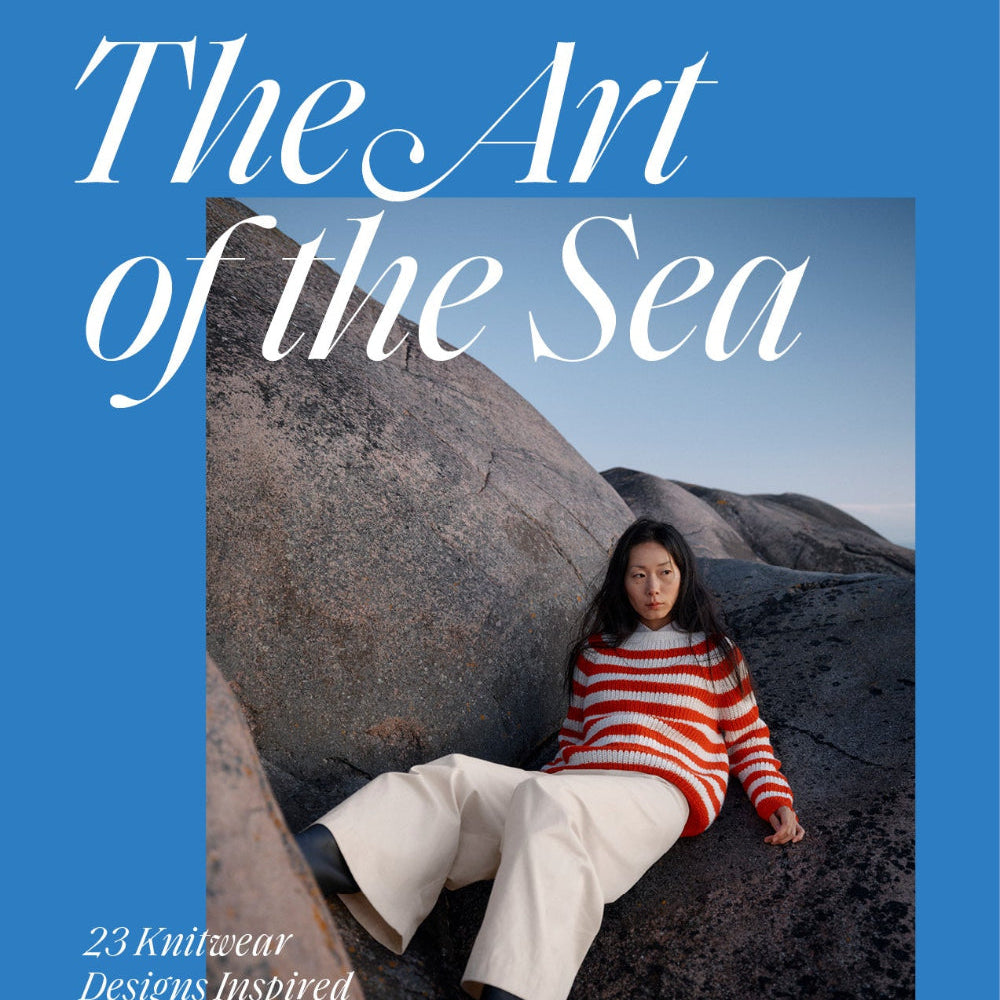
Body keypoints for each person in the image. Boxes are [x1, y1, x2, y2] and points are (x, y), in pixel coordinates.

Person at [295, 518, 804, 1000]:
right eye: (639, 575)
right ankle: (310, 864)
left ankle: (514, 990)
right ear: (622, 583)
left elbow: (747, 738)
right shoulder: (596, 654)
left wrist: (773, 799)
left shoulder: (714, 653)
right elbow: (573, 739)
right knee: (457, 776)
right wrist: (524, 798)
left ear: (683, 575)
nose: (653, 588)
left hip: (659, 791)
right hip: (575, 784)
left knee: (546, 800)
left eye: (665, 573)